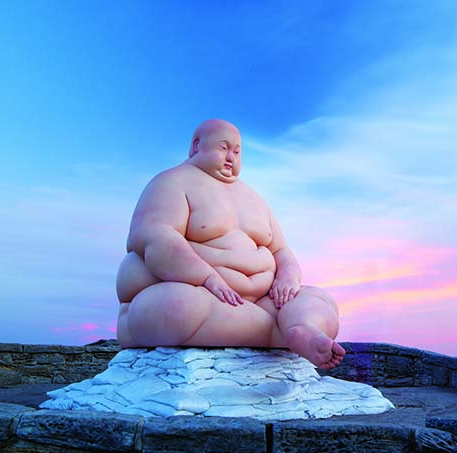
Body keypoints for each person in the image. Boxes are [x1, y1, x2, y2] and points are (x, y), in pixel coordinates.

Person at [115, 119, 346, 369]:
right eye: (223, 148)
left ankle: (300, 328)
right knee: (174, 306)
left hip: (261, 302)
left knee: (319, 300)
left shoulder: (253, 197)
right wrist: (207, 278)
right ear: (195, 146)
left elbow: (280, 249)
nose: (231, 157)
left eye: (237, 151)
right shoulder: (171, 183)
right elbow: (156, 237)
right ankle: (277, 330)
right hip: (200, 296)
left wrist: (287, 278)